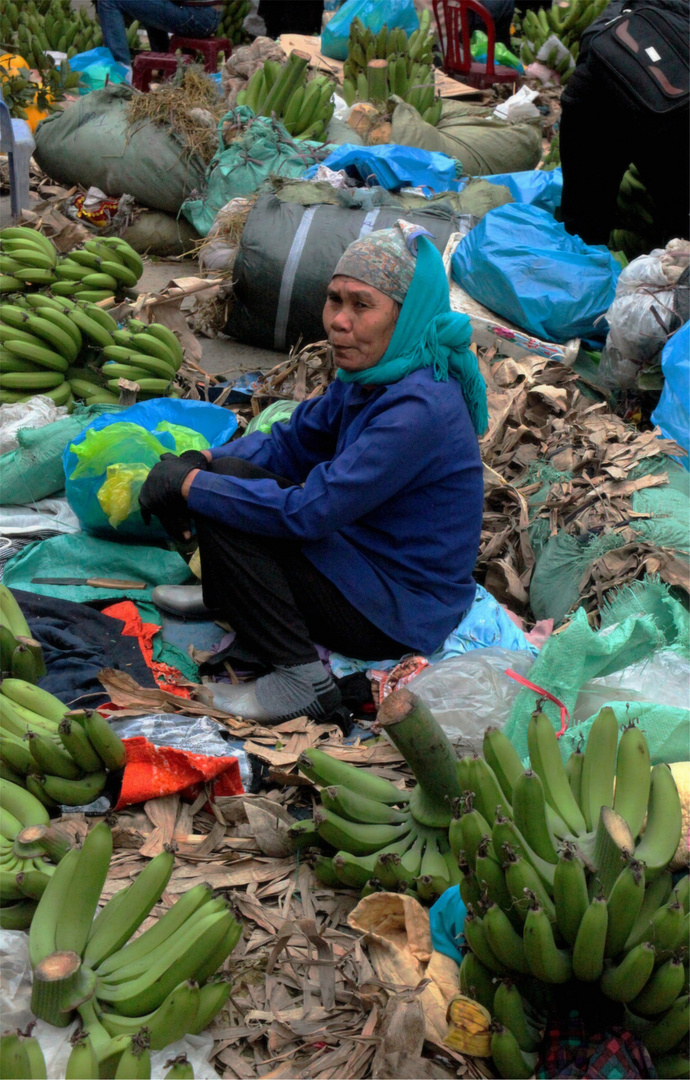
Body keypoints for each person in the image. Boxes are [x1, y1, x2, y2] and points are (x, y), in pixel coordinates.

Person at [140, 221, 487, 724]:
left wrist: (191, 486)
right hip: (363, 562)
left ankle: (300, 679)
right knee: (232, 476)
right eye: (334, 300)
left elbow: (309, 513)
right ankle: (231, 600)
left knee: (231, 506)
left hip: (398, 610)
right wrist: (204, 461)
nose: (339, 322)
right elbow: (291, 441)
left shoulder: (418, 408)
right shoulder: (370, 378)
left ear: (406, 315)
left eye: (362, 305)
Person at [559, 0, 689, 248]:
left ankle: (577, 273)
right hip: (667, 108)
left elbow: (592, 38)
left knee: (582, 223)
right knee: (680, 226)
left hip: (601, 70)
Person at [96, 0, 222, 67]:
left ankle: (121, 72)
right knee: (148, 6)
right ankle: (164, 65)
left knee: (108, 1)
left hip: (196, 15)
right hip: (210, 14)